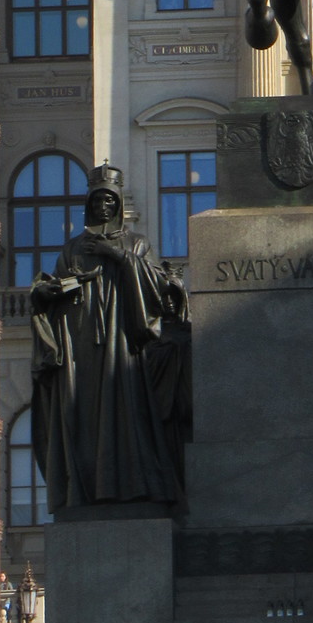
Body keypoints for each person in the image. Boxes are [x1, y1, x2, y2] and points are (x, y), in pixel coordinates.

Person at [30, 164, 190, 511]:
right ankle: (86, 488)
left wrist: (116, 255)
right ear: (89, 204)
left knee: (128, 415)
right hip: (82, 342)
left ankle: (132, 485)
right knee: (84, 416)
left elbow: (156, 287)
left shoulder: (136, 242)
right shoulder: (73, 248)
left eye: (109, 200)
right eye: (97, 200)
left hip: (124, 343)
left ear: (118, 204)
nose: (103, 206)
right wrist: (47, 293)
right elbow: (54, 288)